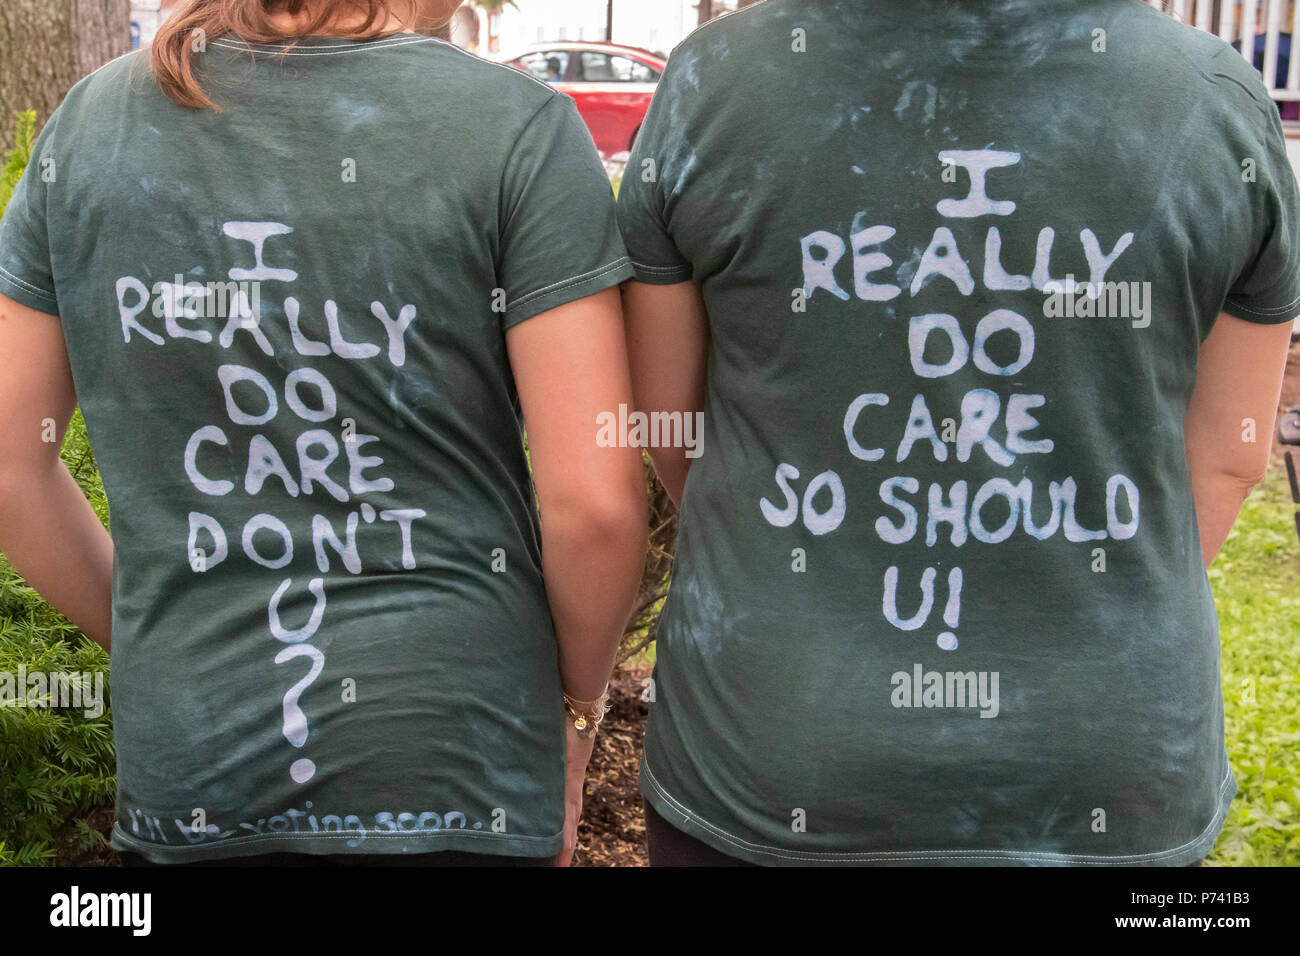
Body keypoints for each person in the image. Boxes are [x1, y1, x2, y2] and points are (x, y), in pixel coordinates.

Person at [618, 0, 1299, 866]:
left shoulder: (713, 84)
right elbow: (1232, 458)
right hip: (1106, 765)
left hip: (774, 755)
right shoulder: (1216, 101)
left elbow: (675, 429)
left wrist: (780, 539)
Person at [0, 0, 647, 866]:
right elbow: (596, 507)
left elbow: (10, 469)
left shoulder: (84, 131)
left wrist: (168, 640)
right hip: (460, 758)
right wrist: (575, 710)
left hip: (197, 767)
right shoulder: (515, 128)